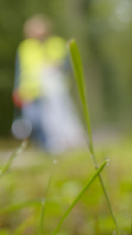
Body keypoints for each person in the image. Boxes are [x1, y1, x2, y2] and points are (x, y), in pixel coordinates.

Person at [12, 15, 84, 154]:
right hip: (30, 91)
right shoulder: (25, 47)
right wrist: (17, 89)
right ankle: (45, 147)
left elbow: (69, 65)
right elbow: (19, 69)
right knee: (34, 121)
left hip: (54, 89)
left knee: (57, 117)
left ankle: (57, 146)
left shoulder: (58, 43)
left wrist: (58, 66)